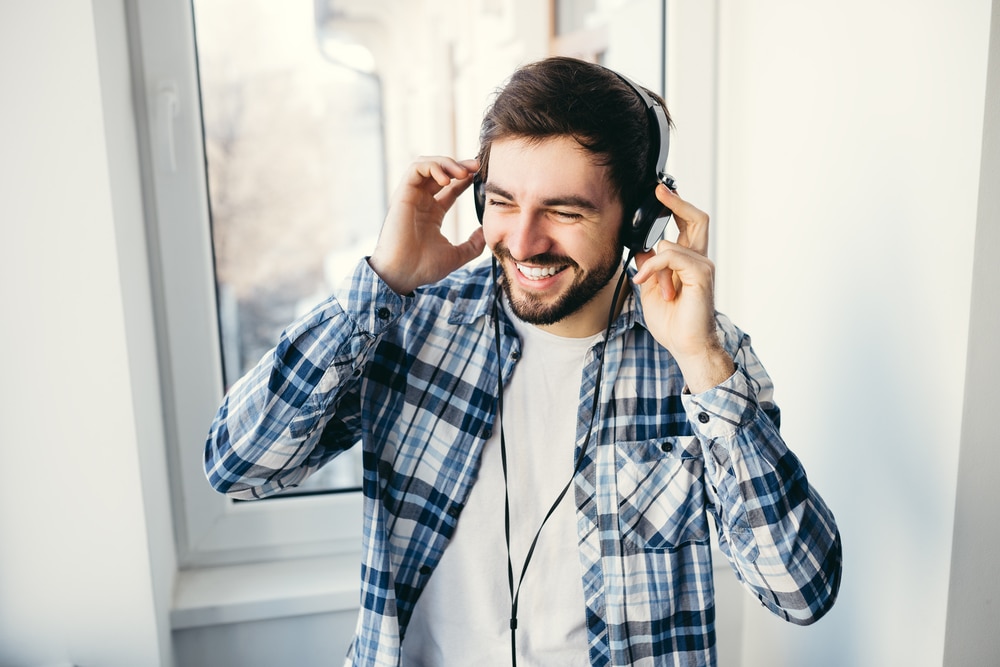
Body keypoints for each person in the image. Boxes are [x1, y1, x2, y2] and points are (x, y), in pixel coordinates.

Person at [205, 56, 842, 666]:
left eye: (565, 212)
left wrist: (701, 362)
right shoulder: (409, 320)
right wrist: (385, 279)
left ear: (640, 219)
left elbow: (801, 592)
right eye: (504, 201)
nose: (524, 241)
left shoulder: (703, 356)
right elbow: (236, 464)